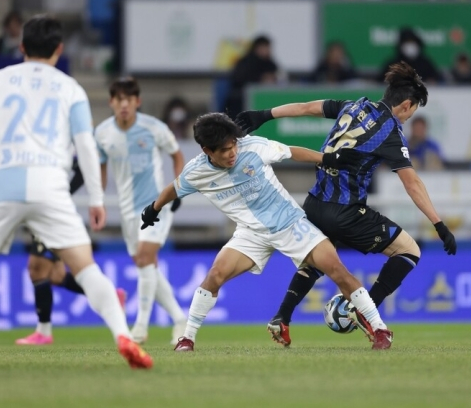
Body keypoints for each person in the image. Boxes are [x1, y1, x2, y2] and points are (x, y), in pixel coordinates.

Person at [0, 15, 152, 371]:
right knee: (86, 268)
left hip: (4, 184)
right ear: (59, 49)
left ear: (21, 47)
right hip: (52, 188)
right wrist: (96, 199)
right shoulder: (71, 88)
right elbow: (85, 146)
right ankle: (123, 336)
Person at [235, 61, 457, 346]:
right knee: (409, 250)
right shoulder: (390, 130)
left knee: (314, 262)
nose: (410, 117)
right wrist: (438, 224)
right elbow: (412, 182)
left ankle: (281, 318)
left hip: (314, 203)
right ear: (406, 105)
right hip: (347, 212)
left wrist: (264, 114)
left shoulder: (353, 106)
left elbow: (304, 108)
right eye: (413, 111)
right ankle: (367, 313)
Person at [140, 113, 394, 352]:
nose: (232, 153)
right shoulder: (196, 172)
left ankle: (381, 329)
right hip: (251, 233)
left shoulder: (252, 146)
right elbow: (174, 188)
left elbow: (291, 152)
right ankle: (187, 338)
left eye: (233, 146)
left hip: (290, 223)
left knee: (337, 269)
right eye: (225, 150)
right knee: (215, 275)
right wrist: (154, 208)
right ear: (207, 151)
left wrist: (327, 159)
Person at [95, 77, 187, 345]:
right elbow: (99, 166)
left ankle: (140, 326)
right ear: (112, 102)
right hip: (126, 210)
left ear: (138, 102)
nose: (124, 104)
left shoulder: (154, 128)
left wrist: (177, 186)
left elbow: (177, 154)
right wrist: (97, 199)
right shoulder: (102, 133)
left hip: (155, 205)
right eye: (119, 99)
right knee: (146, 265)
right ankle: (179, 318)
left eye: (129, 99)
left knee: (146, 257)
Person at [14, 160, 127, 346]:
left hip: (51, 211)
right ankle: (111, 295)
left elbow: (83, 168)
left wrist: (62, 194)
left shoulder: (57, 143)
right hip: (42, 208)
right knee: (57, 276)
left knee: (36, 268)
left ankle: (43, 332)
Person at [224, 36, 278, 118]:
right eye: (264, 47)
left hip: (265, 99)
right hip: (241, 99)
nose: (267, 50)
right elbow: (240, 79)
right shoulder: (246, 62)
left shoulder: (270, 63)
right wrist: (261, 79)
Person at [378, 28, 443, 84]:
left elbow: (437, 79)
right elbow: (380, 82)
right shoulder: (393, 64)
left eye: (412, 42)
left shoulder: (425, 64)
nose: (410, 46)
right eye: (407, 43)